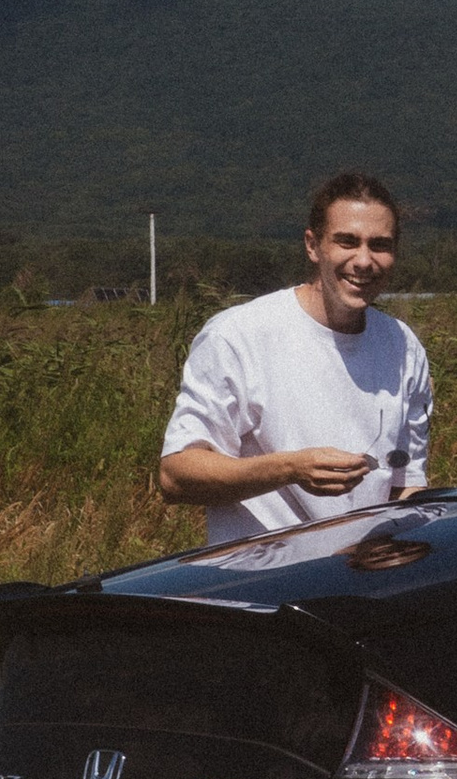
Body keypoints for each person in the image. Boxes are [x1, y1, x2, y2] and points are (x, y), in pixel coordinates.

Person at [157, 171, 432, 547]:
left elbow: (405, 486)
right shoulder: (239, 335)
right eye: (347, 242)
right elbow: (176, 475)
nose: (364, 261)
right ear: (312, 245)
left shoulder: (403, 346)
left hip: (363, 582)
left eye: (380, 245)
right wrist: (290, 468)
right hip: (258, 584)